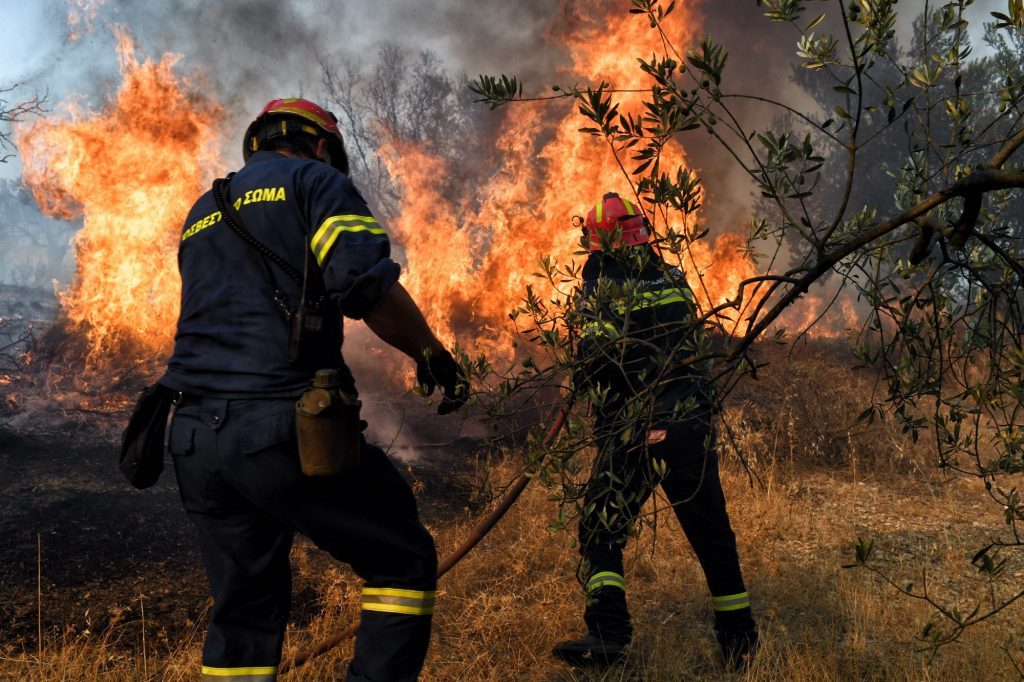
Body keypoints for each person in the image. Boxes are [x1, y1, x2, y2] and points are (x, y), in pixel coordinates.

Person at [160, 97, 467, 682]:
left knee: (244, 613)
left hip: (195, 441)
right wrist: (433, 356)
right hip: (278, 428)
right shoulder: (313, 181)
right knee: (401, 557)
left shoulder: (203, 210)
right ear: (322, 146)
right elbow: (366, 287)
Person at [552, 192, 757, 670]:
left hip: (638, 428)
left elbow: (603, 362)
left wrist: (579, 369)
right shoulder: (673, 279)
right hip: (690, 424)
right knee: (713, 538)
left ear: (600, 242)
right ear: (642, 236)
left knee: (600, 527)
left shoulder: (604, 284)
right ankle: (740, 644)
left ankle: (607, 632)